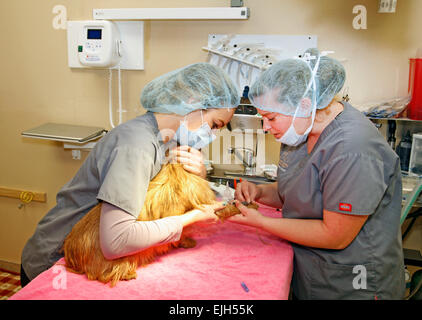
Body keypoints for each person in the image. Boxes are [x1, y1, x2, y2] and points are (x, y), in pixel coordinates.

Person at [20, 62, 239, 287]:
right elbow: (116, 240)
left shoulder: (167, 139)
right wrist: (192, 217)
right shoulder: (136, 146)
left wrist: (200, 173)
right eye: (214, 124)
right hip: (57, 262)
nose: (212, 135)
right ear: (193, 102)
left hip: (91, 257)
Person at [228, 48, 405, 300]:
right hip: (312, 272)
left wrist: (262, 223)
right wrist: (258, 192)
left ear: (304, 104)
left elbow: (335, 235)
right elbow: (296, 192)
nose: (266, 127)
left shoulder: (352, 148)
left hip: (352, 283)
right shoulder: (299, 130)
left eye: (271, 117)